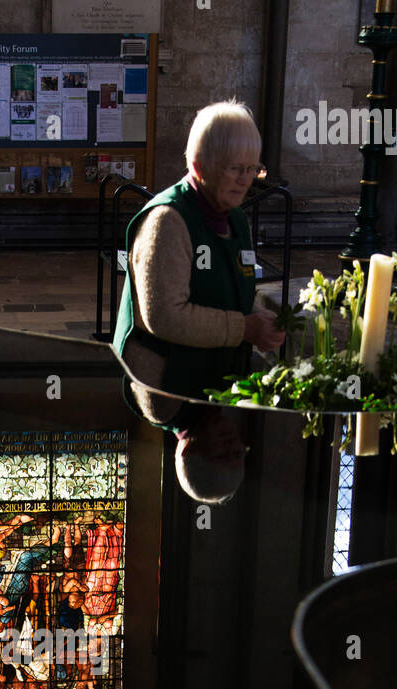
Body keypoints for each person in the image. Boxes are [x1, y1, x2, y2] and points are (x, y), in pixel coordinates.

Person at [112, 99, 285, 478]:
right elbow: (165, 317)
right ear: (198, 167)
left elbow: (230, 291)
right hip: (171, 381)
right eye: (234, 169)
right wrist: (245, 328)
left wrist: (257, 319)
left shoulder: (235, 218)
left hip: (208, 381)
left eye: (251, 169)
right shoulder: (168, 222)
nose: (245, 179)